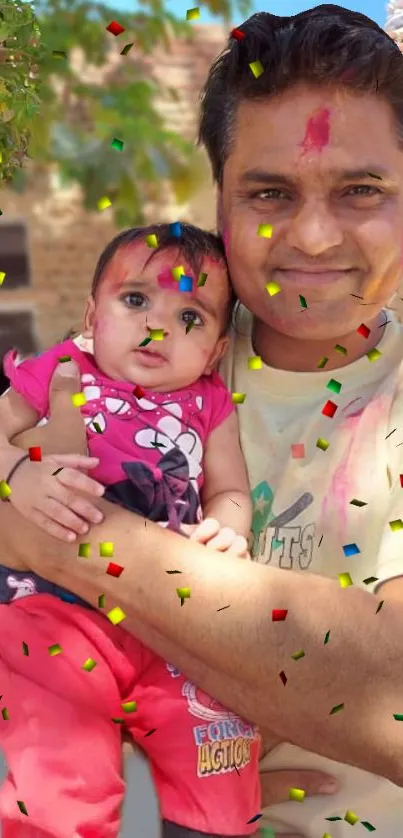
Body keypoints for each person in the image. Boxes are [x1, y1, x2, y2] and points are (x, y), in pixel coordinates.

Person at [2, 3, 403, 836]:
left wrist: (59, 542)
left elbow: (391, 692)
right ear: (216, 200)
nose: (315, 236)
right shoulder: (163, 345)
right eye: (269, 191)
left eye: (360, 190)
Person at [0, 222, 260, 838]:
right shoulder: (61, 368)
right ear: (93, 312)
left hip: (172, 618)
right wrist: (16, 473)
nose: (158, 327)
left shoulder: (210, 402)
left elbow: (229, 490)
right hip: (57, 611)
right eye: (136, 300)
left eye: (190, 317)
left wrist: (227, 529)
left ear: (216, 349)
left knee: (220, 751)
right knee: (62, 773)